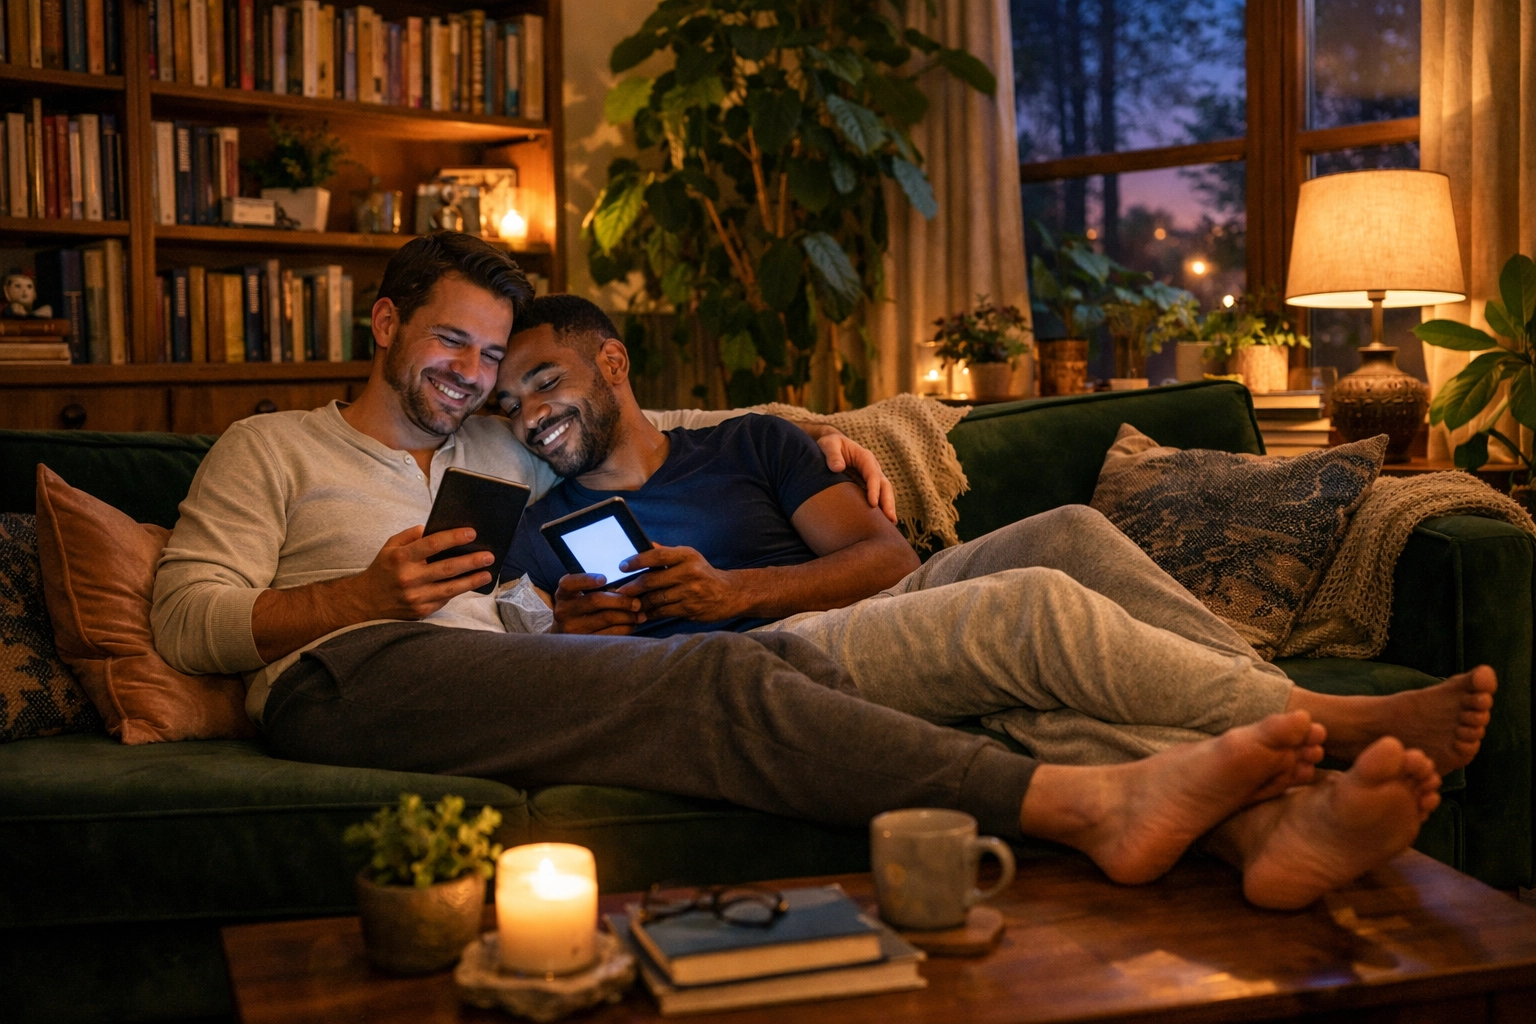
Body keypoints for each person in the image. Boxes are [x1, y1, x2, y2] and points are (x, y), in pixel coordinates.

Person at [149, 234, 1430, 914]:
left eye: (492, 358)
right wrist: (361, 595)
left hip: (504, 662)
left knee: (793, 648)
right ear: (384, 326)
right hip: (349, 670)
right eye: (451, 342)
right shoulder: (273, 446)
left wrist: (837, 439)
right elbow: (191, 618)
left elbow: (652, 430)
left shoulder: (496, 446)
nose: (473, 376)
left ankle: (1260, 804)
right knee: (727, 667)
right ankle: (1105, 801)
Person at [492, 294, 1495, 908]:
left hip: (864, 614)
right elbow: (595, 700)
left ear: (613, 361)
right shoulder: (543, 529)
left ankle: (1264, 819)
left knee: (1064, 535)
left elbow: (884, 559)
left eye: (545, 381)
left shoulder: (755, 440)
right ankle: (1325, 723)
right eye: (513, 402)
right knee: (1028, 610)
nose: (531, 413)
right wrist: (585, 634)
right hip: (769, 675)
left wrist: (731, 586)